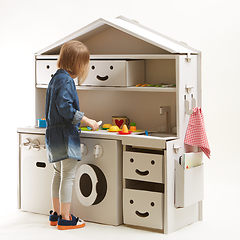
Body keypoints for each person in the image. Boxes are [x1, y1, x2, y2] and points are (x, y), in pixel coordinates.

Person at [45, 40, 99, 230]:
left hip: (53, 134)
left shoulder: (55, 78)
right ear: (77, 64)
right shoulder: (67, 80)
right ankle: (66, 218)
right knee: (68, 175)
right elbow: (65, 108)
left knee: (58, 174)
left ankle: (56, 214)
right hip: (65, 135)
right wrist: (87, 120)